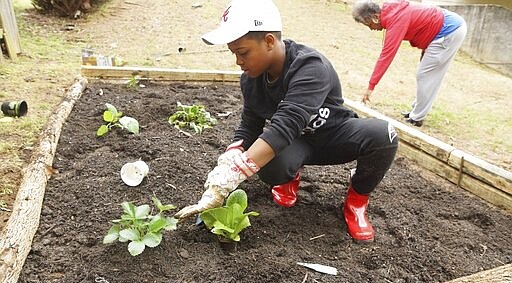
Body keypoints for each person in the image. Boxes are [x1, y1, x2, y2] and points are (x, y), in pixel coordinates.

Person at [175, 0, 399, 242]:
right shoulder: (251, 79)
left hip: (335, 135)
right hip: (296, 143)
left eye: (243, 52)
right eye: (234, 54)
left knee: (383, 135)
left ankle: (356, 202)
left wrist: (234, 176)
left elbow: (286, 124)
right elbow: (250, 125)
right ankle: (289, 177)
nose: (238, 62)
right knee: (268, 163)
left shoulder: (310, 67)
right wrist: (229, 160)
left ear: (269, 41)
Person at [352, 0, 467, 127]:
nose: (371, 29)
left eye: (369, 25)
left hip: (449, 31)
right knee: (425, 74)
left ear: (375, 17)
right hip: (445, 27)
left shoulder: (396, 19)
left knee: (426, 75)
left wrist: (371, 86)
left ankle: (417, 117)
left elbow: (387, 55)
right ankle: (416, 110)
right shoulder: (390, 12)